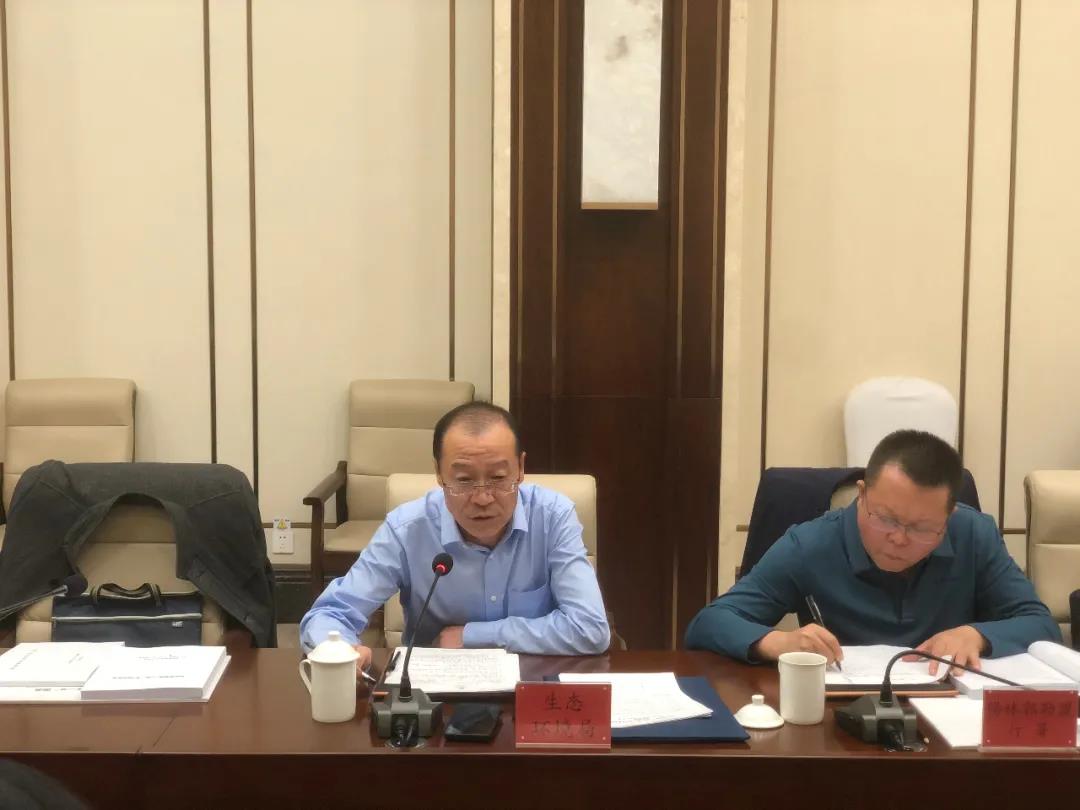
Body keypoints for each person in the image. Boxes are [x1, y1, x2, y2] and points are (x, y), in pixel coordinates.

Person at [685, 430, 1060, 675]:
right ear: (862, 494)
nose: (899, 539)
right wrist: (780, 643)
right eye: (886, 518)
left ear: (949, 517)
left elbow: (1041, 625)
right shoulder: (810, 544)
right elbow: (709, 623)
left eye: (921, 528)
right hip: (841, 717)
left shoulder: (974, 535)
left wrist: (975, 635)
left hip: (951, 716)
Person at [301, 402, 610, 673]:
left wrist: (472, 635)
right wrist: (339, 651)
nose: (483, 498)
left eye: (498, 478)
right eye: (463, 480)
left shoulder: (553, 517)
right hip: (434, 698)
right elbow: (331, 613)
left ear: (521, 469)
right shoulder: (407, 529)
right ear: (439, 474)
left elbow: (590, 628)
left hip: (532, 689)